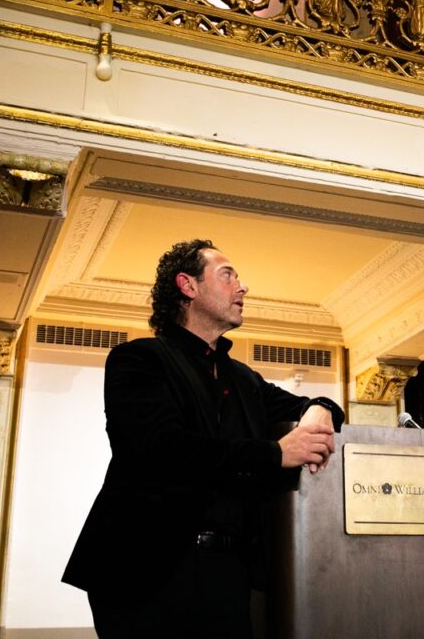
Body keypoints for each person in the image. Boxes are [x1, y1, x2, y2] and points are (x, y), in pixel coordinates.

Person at [63, 239, 344, 638]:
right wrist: (273, 454)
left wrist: (320, 408)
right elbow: (162, 449)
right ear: (187, 286)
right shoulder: (138, 360)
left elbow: (311, 405)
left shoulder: (243, 379)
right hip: (144, 569)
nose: (243, 287)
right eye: (228, 275)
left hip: (229, 572)